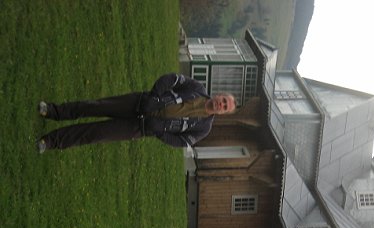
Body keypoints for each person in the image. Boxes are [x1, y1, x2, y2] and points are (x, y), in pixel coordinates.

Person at [37, 73, 236, 153]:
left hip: (139, 128)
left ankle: (51, 141)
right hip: (138, 103)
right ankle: (53, 111)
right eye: (224, 100)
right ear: (219, 95)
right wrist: (154, 96)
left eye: (225, 107)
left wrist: (159, 132)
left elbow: (182, 142)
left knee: (94, 134)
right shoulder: (197, 88)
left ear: (223, 113)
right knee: (94, 107)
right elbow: (171, 79)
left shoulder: (204, 128)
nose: (221, 104)